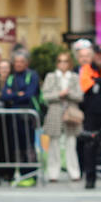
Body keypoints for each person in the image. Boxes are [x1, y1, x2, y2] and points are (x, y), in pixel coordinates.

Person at [0, 50, 40, 184]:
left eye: (21, 62)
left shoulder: (32, 75)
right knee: (17, 147)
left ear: (26, 63)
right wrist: (18, 94)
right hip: (14, 117)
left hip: (27, 116)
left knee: (28, 146)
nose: (18, 64)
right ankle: (21, 174)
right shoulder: (11, 77)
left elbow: (29, 94)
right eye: (16, 62)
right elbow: (4, 95)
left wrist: (14, 95)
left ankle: (31, 175)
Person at [40, 51, 82, 182]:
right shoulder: (51, 76)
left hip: (71, 112)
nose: (62, 64)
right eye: (60, 61)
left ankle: (74, 172)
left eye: (65, 61)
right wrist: (59, 94)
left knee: (71, 143)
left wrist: (68, 94)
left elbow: (80, 96)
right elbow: (45, 96)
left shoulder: (74, 77)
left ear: (69, 63)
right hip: (55, 111)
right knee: (54, 144)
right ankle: (53, 173)